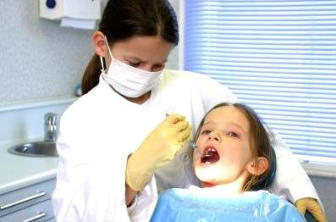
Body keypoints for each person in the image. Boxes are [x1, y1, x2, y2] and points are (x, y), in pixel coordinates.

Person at [51, 0, 325, 221]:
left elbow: (261, 138)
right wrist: (131, 177)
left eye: (158, 65)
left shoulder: (194, 87)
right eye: (134, 62)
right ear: (102, 44)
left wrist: (299, 190)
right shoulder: (81, 120)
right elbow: (75, 214)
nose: (146, 74)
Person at [150, 102, 306, 221]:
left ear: (256, 165)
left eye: (232, 134)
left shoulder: (276, 212)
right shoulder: (167, 203)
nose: (213, 136)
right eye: (206, 131)